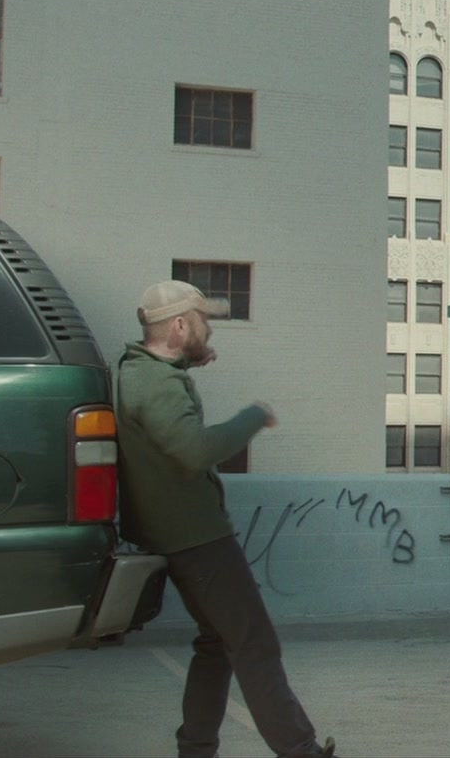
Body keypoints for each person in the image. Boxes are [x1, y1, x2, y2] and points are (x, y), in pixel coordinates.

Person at [116, 280, 333, 758]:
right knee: (254, 643)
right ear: (179, 325)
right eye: (202, 322)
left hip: (177, 534)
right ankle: (300, 750)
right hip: (197, 538)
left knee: (217, 643)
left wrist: (188, 360)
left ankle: (196, 749)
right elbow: (195, 450)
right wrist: (253, 417)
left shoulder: (142, 371)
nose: (209, 330)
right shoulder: (156, 383)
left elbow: (164, 419)